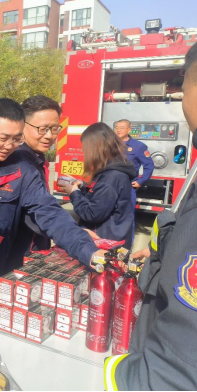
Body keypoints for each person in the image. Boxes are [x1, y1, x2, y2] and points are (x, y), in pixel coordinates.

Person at [0, 98, 106, 318]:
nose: (9, 146)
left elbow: (50, 213)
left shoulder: (23, 170)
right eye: (3, 138)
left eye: (17, 139)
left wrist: (88, 250)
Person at [103, 42, 197, 392]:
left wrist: (139, 182)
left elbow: (182, 358)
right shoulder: (111, 146)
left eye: (183, 84)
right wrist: (162, 257)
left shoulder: (138, 147)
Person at [59, 123, 136, 249]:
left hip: (105, 243)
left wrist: (73, 193)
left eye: (85, 147)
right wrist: (82, 186)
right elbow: (100, 195)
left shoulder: (111, 177)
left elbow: (91, 214)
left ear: (96, 148)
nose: (83, 151)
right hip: (112, 238)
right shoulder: (111, 171)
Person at [15, 95, 63, 253]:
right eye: (42, 129)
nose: (49, 136)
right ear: (23, 125)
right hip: (21, 250)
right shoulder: (17, 162)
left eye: (54, 129)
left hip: (38, 245)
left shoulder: (38, 158)